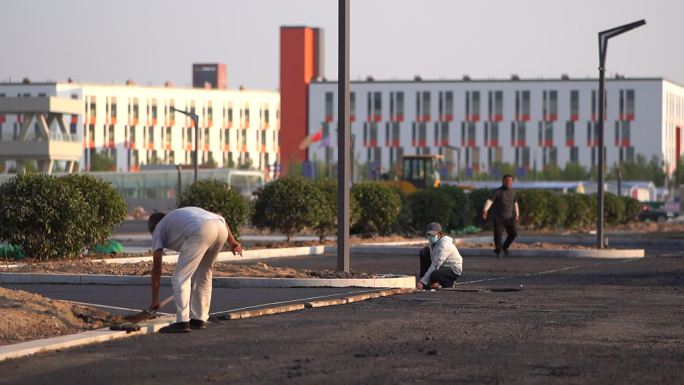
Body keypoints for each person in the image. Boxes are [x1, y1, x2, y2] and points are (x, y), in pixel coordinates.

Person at [147, 206, 243, 333]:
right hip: (220, 228)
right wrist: (232, 241)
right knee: (204, 273)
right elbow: (221, 219)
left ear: (152, 229)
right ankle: (199, 319)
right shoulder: (178, 218)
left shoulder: (158, 229)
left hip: (202, 229)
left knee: (181, 277)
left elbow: (157, 268)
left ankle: (182, 321)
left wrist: (154, 300)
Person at [482, 174, 519, 258]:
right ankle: (499, 251)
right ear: (503, 181)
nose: (509, 182)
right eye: (507, 180)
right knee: (498, 236)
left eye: (510, 180)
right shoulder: (497, 191)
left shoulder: (513, 192)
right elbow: (490, 201)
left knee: (513, 233)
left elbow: (515, 203)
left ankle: (504, 247)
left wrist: (517, 214)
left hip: (509, 218)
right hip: (498, 218)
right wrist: (485, 210)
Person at [417, 222, 463, 290]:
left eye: (432, 234)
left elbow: (435, 265)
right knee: (424, 252)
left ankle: (449, 283)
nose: (430, 236)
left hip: (452, 269)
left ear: (440, 234)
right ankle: (429, 283)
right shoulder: (433, 242)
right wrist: (423, 279)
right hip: (441, 266)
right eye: (429, 234)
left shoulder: (444, 245)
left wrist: (423, 282)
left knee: (435, 274)